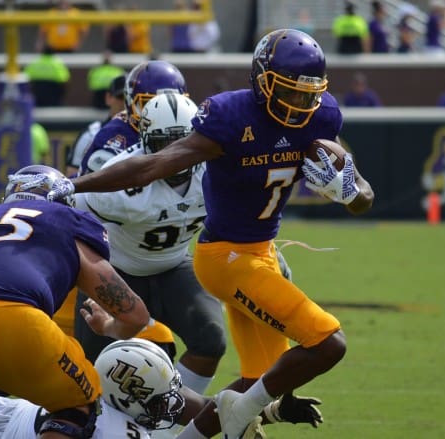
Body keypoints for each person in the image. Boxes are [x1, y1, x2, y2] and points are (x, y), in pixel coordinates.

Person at [41, 28, 375, 439]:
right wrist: (74, 184)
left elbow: (363, 194)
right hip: (224, 259)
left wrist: (348, 192)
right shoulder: (232, 117)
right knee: (329, 342)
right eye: (289, 92)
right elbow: (151, 165)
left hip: (262, 252)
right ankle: (244, 411)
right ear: (262, 81)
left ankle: (204, 428)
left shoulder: (320, 116)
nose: (300, 104)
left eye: (309, 95)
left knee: (259, 377)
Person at [0, 164, 150, 426]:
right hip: (15, 320)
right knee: (79, 405)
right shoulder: (67, 220)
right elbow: (135, 316)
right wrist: (109, 326)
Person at [73, 92, 228, 399]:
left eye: (181, 143)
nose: (173, 156)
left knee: (211, 339)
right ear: (145, 141)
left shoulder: (217, 172)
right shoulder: (120, 182)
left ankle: (164, 420)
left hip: (174, 267)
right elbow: (73, 221)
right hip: (117, 272)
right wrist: (89, 273)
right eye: (162, 145)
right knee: (93, 370)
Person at [0, 338, 323, 438]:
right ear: (128, 398)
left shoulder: (119, 399)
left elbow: (209, 408)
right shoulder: (108, 427)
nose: (173, 404)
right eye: (161, 398)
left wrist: (268, 409)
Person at [78, 60, 188, 177]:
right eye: (150, 103)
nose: (162, 113)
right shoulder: (115, 137)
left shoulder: (188, 128)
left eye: (170, 106)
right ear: (131, 103)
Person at [66, 74, 126, 177]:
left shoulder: (145, 134)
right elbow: (72, 174)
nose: (125, 103)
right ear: (108, 98)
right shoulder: (90, 134)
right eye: (121, 97)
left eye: (130, 98)